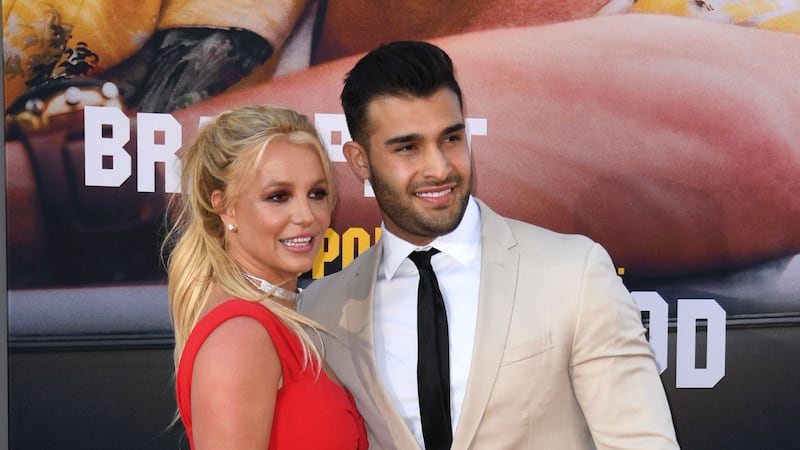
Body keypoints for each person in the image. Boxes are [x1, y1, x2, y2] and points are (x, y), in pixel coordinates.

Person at [299, 41, 680, 449]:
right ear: (359, 160)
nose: (439, 168)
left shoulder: (574, 273)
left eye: (450, 139)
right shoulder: (322, 310)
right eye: (408, 147)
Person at [164, 104, 368, 449]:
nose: (307, 215)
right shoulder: (242, 335)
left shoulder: (270, 320)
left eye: (316, 194)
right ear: (225, 207)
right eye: (278, 196)